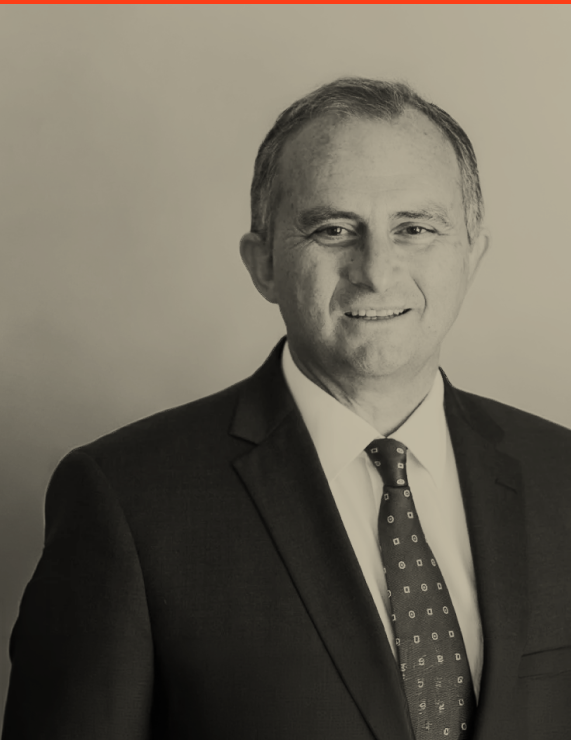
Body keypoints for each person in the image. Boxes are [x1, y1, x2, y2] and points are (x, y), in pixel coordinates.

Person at [3, 77, 571, 740]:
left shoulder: (560, 477)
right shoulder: (127, 501)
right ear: (263, 264)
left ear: (471, 255)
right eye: (333, 230)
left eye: (415, 228)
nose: (376, 271)